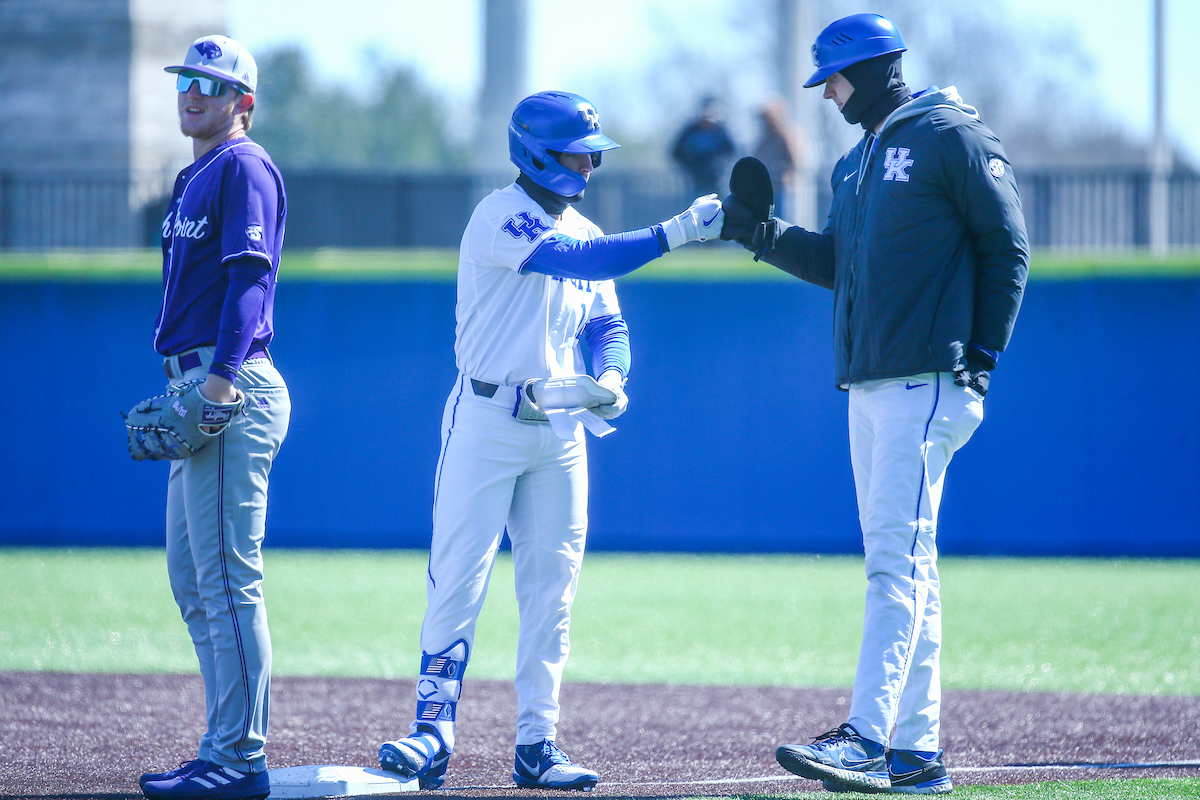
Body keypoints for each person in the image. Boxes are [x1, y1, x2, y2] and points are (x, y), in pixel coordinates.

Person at [376, 90, 723, 792]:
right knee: (459, 576)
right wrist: (676, 232)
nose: (591, 164)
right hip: (485, 417)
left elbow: (605, 325)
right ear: (537, 151)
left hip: (560, 427)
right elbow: (584, 263)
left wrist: (614, 378)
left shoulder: (584, 222)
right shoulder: (499, 213)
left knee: (552, 590)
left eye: (594, 152)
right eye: (578, 152)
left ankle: (538, 742)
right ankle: (432, 730)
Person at [722, 13, 1028, 796]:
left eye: (833, 76)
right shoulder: (856, 162)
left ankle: (863, 738)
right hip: (870, 384)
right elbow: (836, 264)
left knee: (893, 567)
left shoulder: (948, 134)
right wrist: (761, 233)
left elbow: (1007, 247)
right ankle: (918, 755)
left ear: (875, 68)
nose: (826, 92)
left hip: (927, 378)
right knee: (908, 568)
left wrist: (981, 363)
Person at [136, 35, 289, 800]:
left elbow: (251, 281)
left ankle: (238, 759)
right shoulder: (194, 173)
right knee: (193, 583)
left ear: (243, 103)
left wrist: (222, 382)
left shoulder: (242, 166)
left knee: (227, 582)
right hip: (195, 382)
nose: (193, 92)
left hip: (229, 386)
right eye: (186, 80)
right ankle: (221, 745)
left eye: (212, 82)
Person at [670, 95, 736, 198]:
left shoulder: (721, 132)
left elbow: (731, 152)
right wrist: (689, 165)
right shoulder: (690, 131)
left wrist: (720, 165)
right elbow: (676, 152)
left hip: (716, 177)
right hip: (695, 177)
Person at [751, 100, 804, 220]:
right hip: (765, 187)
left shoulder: (784, 136)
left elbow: (794, 160)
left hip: (780, 185)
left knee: (779, 219)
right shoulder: (764, 139)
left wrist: (786, 174)